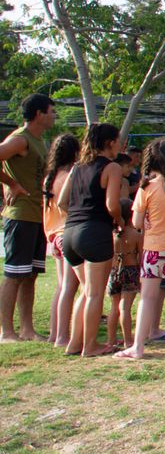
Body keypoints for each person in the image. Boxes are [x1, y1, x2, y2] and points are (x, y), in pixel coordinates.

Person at [115, 138, 165, 360]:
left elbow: (135, 223)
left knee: (147, 297)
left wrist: (145, 220)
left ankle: (138, 346)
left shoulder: (147, 188)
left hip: (154, 250)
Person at [59, 123, 123, 356]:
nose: (120, 144)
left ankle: (75, 343)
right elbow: (112, 205)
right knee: (95, 293)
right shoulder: (112, 168)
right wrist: (119, 222)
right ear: (109, 143)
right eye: (118, 140)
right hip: (94, 232)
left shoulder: (77, 167)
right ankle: (90, 345)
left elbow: (61, 202)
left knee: (86, 292)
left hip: (70, 233)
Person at [0, 93, 55, 342]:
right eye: (51, 111)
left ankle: (27, 329)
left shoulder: (38, 141)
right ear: (38, 114)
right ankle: (6, 332)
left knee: (30, 274)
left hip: (36, 216)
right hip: (20, 216)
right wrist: (11, 185)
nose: (54, 116)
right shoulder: (20, 140)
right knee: (14, 274)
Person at [43, 133, 80, 348]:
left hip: (54, 235)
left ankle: (55, 332)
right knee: (69, 287)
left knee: (61, 286)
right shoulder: (70, 175)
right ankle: (62, 336)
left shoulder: (50, 177)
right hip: (67, 233)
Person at [105, 199, 140, 347]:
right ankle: (128, 341)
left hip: (114, 271)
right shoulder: (136, 235)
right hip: (130, 270)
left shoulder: (112, 235)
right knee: (125, 308)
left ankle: (111, 340)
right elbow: (141, 256)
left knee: (114, 307)